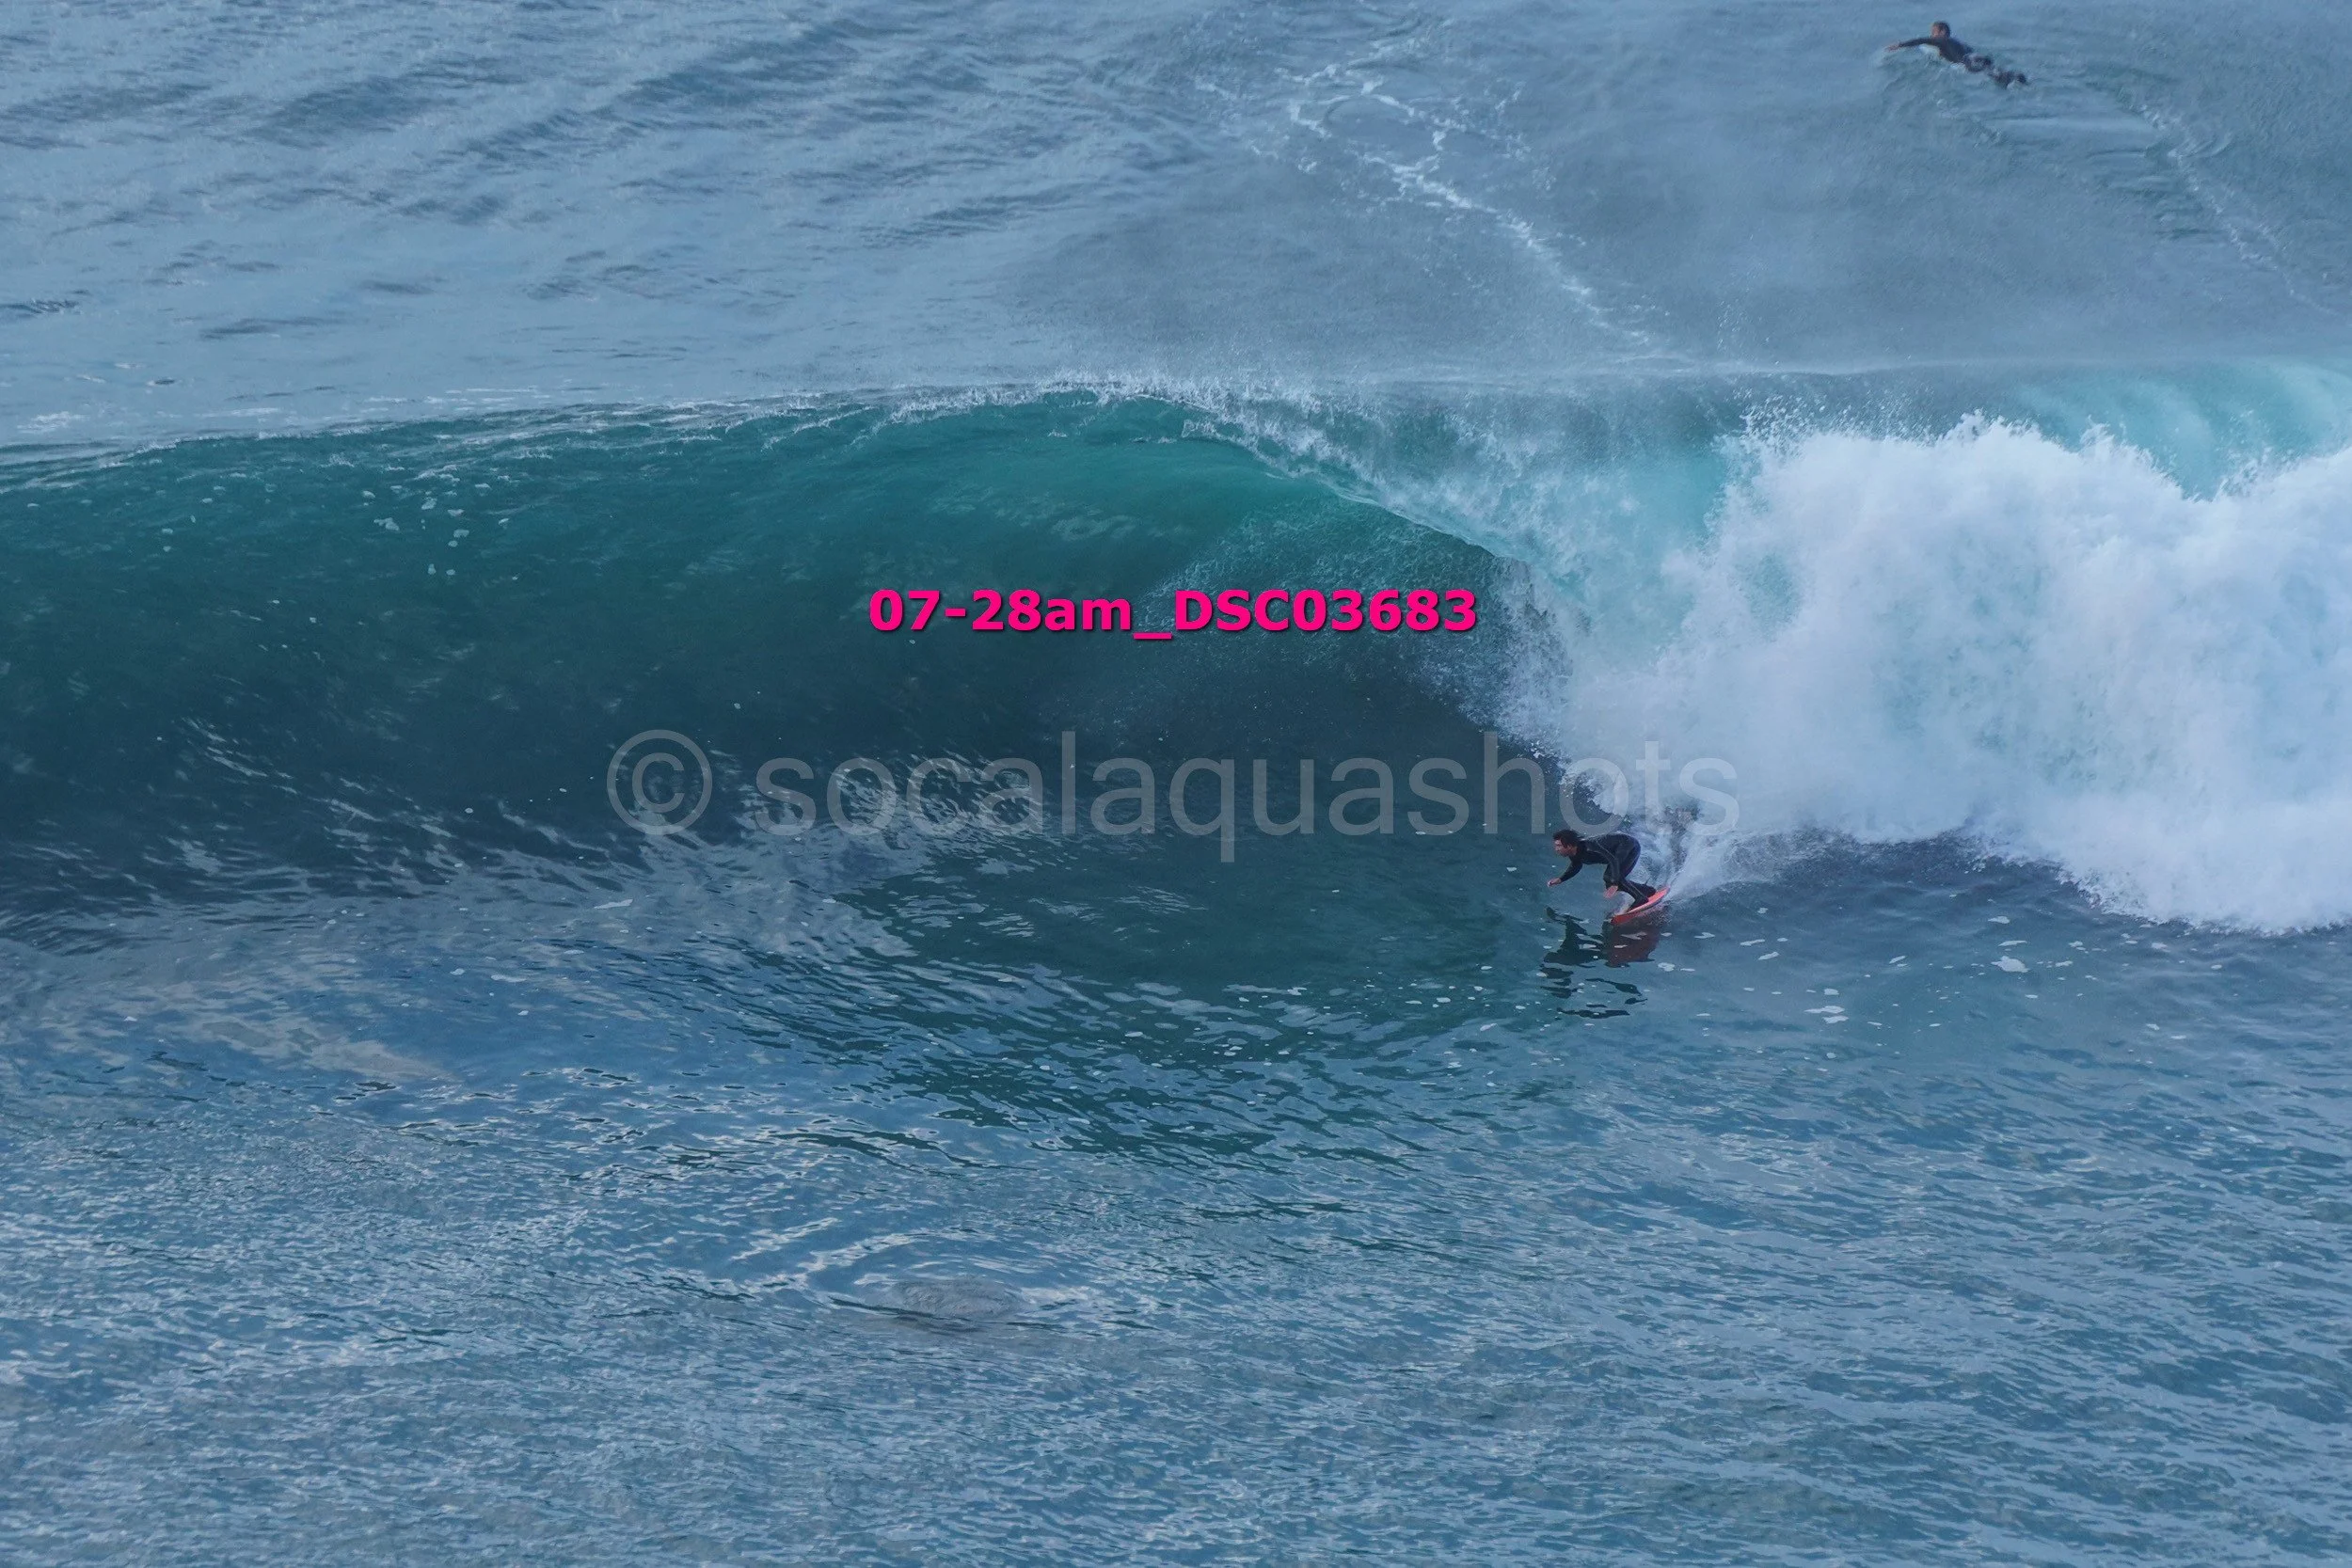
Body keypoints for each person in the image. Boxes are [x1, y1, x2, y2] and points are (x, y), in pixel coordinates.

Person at [1885, 22, 2026, 87]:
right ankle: (2016, 77)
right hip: (1977, 57)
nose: (1932, 36)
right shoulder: (1959, 42)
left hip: (1967, 62)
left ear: (1941, 31)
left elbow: (1921, 40)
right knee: (1993, 71)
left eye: (1933, 32)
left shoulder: (1941, 40)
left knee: (1993, 77)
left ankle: (2011, 79)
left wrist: (1900, 45)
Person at [1549, 828, 1658, 910]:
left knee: (1611, 877)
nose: (1556, 849)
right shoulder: (1574, 853)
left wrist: (1615, 883)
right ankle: (1646, 890)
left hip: (1628, 845)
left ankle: (1640, 898)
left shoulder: (1590, 847)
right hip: (1622, 850)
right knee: (1610, 881)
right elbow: (1576, 866)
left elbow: (1613, 860)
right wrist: (1561, 879)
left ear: (1569, 846)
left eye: (1559, 846)